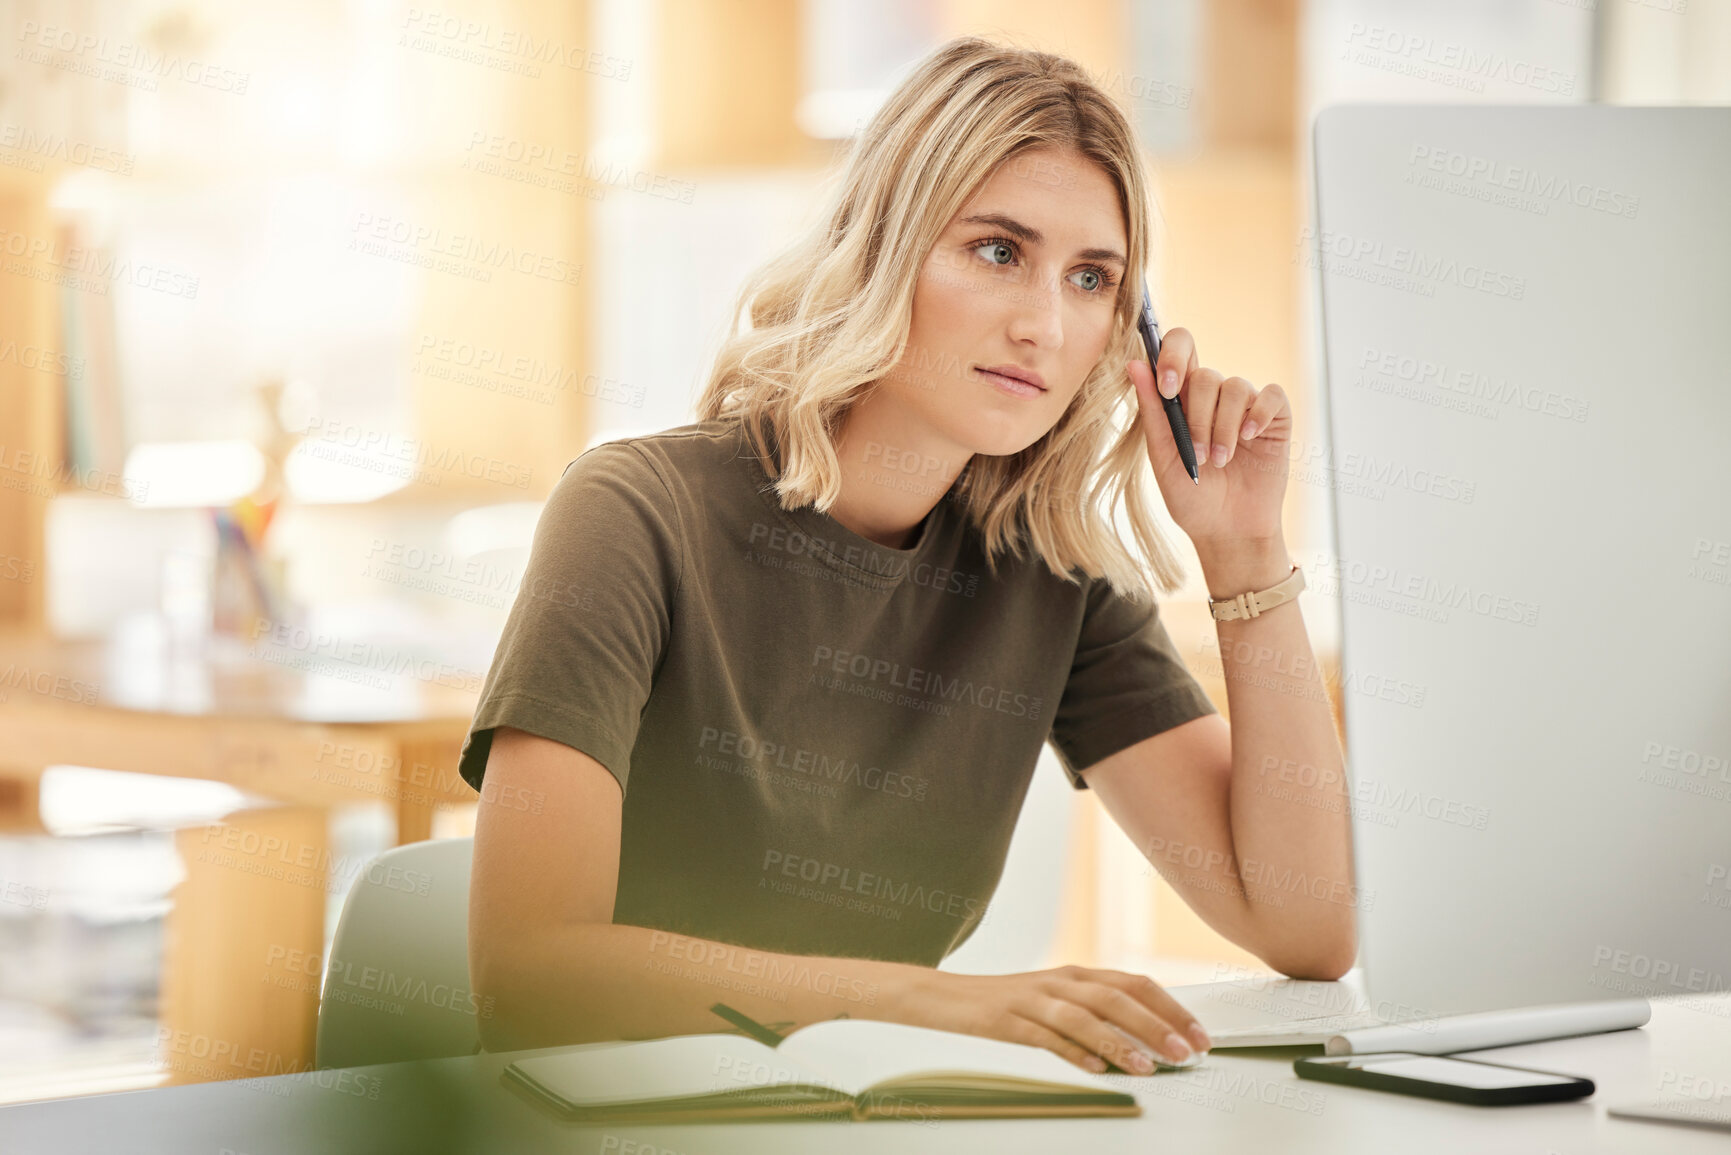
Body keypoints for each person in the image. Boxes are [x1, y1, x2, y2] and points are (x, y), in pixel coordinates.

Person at [459, 35, 1354, 1076]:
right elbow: (528, 979)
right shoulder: (634, 513)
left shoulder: (1054, 570)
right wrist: (925, 1005)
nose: (1043, 325)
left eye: (1092, 279)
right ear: (884, 247)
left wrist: (1244, 554)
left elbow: (1307, 926)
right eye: (997, 250)